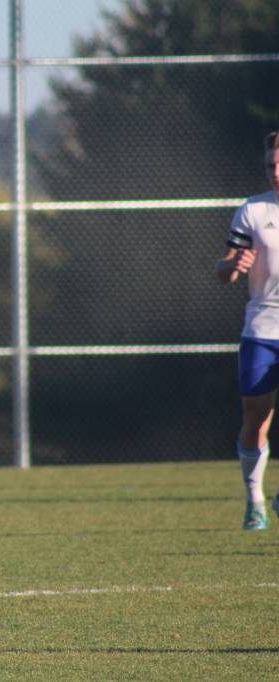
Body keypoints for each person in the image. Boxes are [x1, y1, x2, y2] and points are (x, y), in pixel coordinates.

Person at [216, 130, 279, 530]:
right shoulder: (254, 211)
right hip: (262, 328)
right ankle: (254, 498)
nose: (275, 171)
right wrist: (232, 267)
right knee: (256, 418)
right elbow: (223, 270)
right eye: (271, 164)